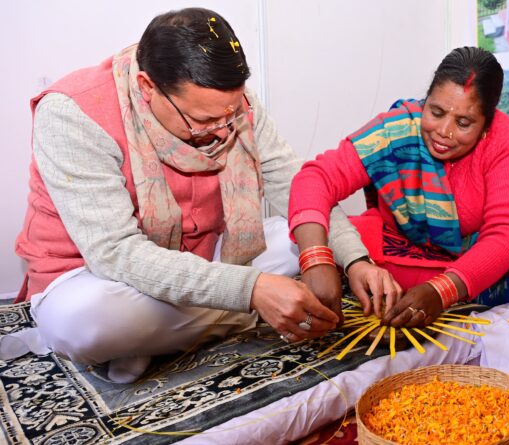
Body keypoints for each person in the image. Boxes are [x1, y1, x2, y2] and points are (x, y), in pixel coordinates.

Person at [1, 8, 377, 383]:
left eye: (230, 118)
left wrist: (351, 259)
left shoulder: (228, 104)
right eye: (203, 121)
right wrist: (253, 290)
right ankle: (238, 313)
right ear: (148, 88)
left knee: (296, 236)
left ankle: (158, 337)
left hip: (200, 256)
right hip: (95, 278)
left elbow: (298, 185)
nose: (221, 131)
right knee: (86, 322)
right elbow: (115, 253)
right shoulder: (73, 113)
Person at [289, 47, 509, 329]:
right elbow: (315, 178)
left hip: (475, 240)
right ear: (425, 101)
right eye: (436, 112)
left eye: (464, 123)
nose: (444, 132)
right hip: (408, 240)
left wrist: (441, 292)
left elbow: (504, 233)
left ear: (486, 125)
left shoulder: (504, 140)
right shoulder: (397, 127)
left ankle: (456, 277)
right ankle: (486, 282)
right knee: (343, 240)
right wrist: (315, 259)